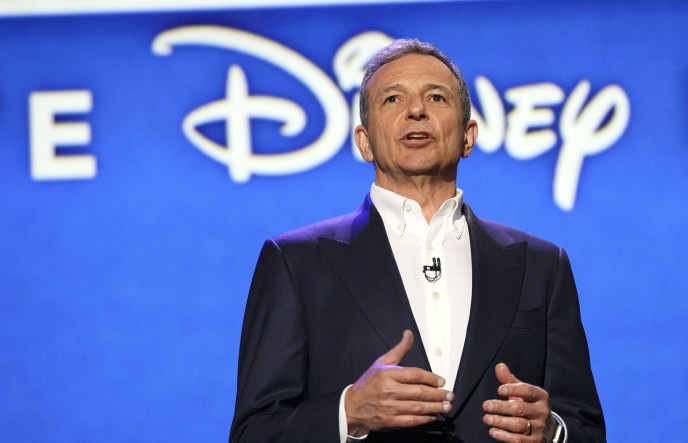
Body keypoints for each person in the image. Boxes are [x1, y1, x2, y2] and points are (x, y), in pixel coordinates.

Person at [229, 39, 605, 442]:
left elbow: (583, 427)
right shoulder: (296, 262)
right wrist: (349, 412)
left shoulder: (542, 266)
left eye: (436, 97)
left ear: (468, 136)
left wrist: (551, 432)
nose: (416, 110)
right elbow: (255, 432)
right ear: (364, 141)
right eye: (392, 99)